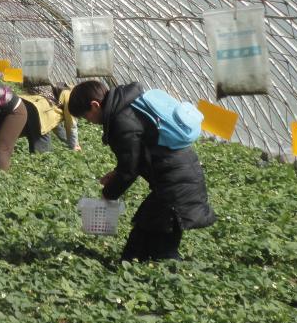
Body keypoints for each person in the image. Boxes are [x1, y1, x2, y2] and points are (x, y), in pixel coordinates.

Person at [68, 80, 216, 262]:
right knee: (142, 238)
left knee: (160, 249)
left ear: (95, 105)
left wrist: (108, 194)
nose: (89, 122)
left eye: (86, 116)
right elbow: (139, 154)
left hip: (176, 186)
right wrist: (116, 172)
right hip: (180, 179)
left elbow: (130, 169)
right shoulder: (129, 105)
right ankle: (142, 266)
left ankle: (170, 271)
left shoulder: (121, 120)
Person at [16, 84, 80, 153]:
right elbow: (71, 125)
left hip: (21, 103)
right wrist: (74, 146)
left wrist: (68, 143)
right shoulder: (70, 96)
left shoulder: (57, 89)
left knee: (9, 137)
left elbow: (56, 126)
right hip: (38, 112)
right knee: (43, 154)